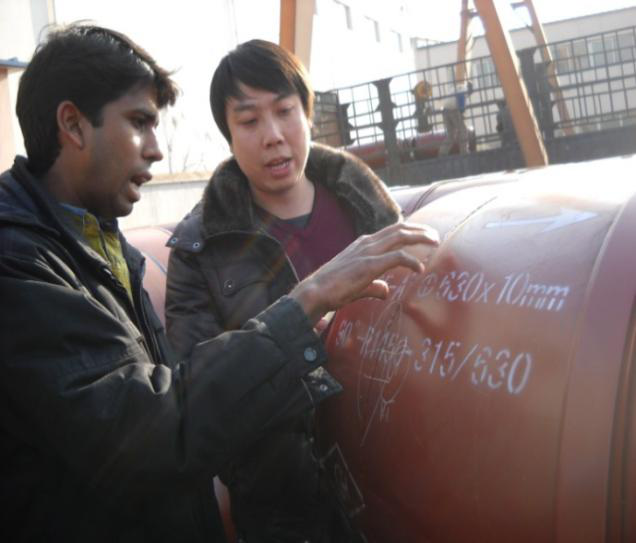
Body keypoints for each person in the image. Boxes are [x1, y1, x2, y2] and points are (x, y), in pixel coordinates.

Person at [0, 24, 439, 543]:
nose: (156, 150)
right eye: (139, 122)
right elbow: (156, 426)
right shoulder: (21, 265)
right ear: (73, 124)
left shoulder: (99, 245)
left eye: (285, 111)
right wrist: (305, 306)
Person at [165, 39, 403, 542]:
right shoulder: (199, 249)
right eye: (249, 121)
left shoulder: (375, 216)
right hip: (284, 512)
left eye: (284, 111)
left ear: (308, 114)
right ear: (228, 135)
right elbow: (197, 394)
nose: (272, 136)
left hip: (395, 481)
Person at [438, 81, 474, 156]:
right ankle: (464, 152)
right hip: (453, 110)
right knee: (463, 131)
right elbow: (461, 101)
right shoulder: (464, 89)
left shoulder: (456, 87)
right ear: (469, 89)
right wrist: (462, 112)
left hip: (445, 110)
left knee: (451, 134)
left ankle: (442, 153)